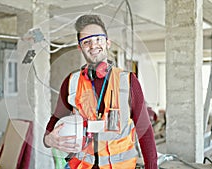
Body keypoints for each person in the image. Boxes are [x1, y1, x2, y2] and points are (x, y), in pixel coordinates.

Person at [43, 14, 157, 169]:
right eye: (86, 41)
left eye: (98, 39)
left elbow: (145, 130)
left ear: (107, 42)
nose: (93, 45)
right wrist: (48, 140)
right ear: (80, 47)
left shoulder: (128, 81)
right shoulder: (71, 82)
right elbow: (54, 121)